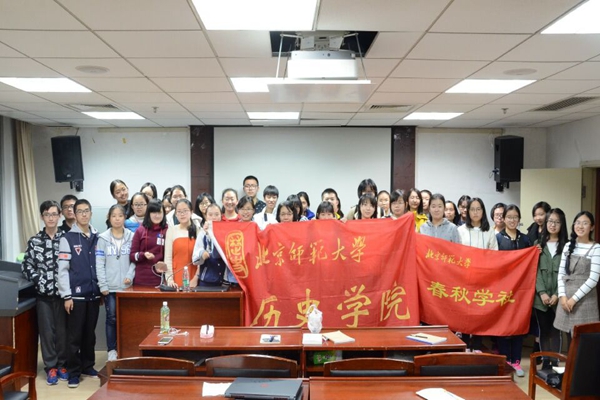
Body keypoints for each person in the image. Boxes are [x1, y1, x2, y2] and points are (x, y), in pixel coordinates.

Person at [22, 200, 68, 385]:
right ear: (42, 217)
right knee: (47, 333)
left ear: (59, 216)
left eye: (54, 214)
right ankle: (51, 367)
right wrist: (38, 280)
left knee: (63, 333)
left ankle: (63, 365)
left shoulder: (66, 239)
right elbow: (26, 265)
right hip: (43, 296)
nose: (51, 218)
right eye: (47, 214)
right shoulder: (35, 241)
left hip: (63, 296)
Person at [57, 199, 101, 388]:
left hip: (94, 294)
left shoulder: (97, 237)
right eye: (80, 211)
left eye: (86, 210)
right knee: (74, 337)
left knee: (90, 335)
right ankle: (74, 372)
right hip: (75, 297)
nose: (84, 214)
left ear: (91, 213)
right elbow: (62, 270)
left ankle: (87, 366)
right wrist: (66, 296)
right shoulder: (67, 238)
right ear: (74, 215)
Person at [495, 204, 532, 378]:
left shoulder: (525, 239)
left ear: (519, 219)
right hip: (502, 289)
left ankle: (516, 361)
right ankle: (505, 361)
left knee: (518, 323)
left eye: (515, 217)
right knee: (503, 324)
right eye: (509, 217)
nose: (512, 220)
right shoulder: (497, 238)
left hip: (521, 290)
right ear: (503, 219)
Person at [457, 197, 497, 351]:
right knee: (465, 312)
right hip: (465, 278)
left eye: (478, 209)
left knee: (480, 311)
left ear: (483, 211)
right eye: (472, 209)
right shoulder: (460, 230)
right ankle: (465, 343)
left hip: (483, 279)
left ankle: (478, 343)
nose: (475, 212)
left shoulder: (489, 231)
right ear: (467, 212)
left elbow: (494, 254)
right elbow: (456, 253)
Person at [95, 205, 135, 362]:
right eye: (114, 216)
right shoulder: (103, 238)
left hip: (127, 287)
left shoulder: (132, 237)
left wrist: (130, 275)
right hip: (110, 288)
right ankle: (111, 350)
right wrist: (103, 285)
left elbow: (135, 261)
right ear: (109, 218)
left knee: (127, 319)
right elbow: (99, 263)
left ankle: (126, 349)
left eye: (120, 215)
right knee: (111, 318)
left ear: (125, 217)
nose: (117, 219)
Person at [554, 211, 600, 346]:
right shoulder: (568, 246)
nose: (580, 226)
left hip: (585, 300)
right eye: (578, 223)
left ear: (592, 227)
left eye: (585, 223)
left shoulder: (596, 248)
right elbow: (561, 273)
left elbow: (593, 279)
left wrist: (574, 299)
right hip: (566, 299)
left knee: (584, 341)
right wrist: (562, 296)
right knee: (570, 340)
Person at [534, 208, 567, 369]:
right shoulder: (538, 245)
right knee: (544, 330)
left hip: (559, 296)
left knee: (556, 331)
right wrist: (542, 293)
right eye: (550, 221)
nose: (553, 225)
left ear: (562, 224)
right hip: (541, 298)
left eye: (557, 222)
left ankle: (555, 362)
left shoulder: (567, 246)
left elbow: (567, 273)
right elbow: (534, 271)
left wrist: (556, 294)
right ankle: (546, 362)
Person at [130, 199, 168, 287]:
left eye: (160, 212)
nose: (157, 215)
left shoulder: (168, 230)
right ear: (148, 213)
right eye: (154, 212)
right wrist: (143, 255)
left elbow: (171, 256)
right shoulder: (140, 230)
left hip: (160, 278)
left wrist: (164, 264)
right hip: (141, 278)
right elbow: (132, 255)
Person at [191, 204, 226, 287]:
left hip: (224, 279)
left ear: (221, 216)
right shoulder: (202, 233)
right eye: (210, 215)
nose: (213, 217)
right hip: (207, 279)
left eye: (216, 214)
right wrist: (201, 254)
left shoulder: (225, 232)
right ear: (206, 216)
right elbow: (195, 259)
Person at [164, 199, 198, 288]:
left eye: (185, 211)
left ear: (191, 212)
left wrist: (196, 278)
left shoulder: (198, 230)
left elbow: (201, 260)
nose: (182, 214)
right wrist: (169, 279)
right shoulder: (171, 230)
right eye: (179, 212)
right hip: (176, 275)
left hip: (194, 277)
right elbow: (168, 258)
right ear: (175, 214)